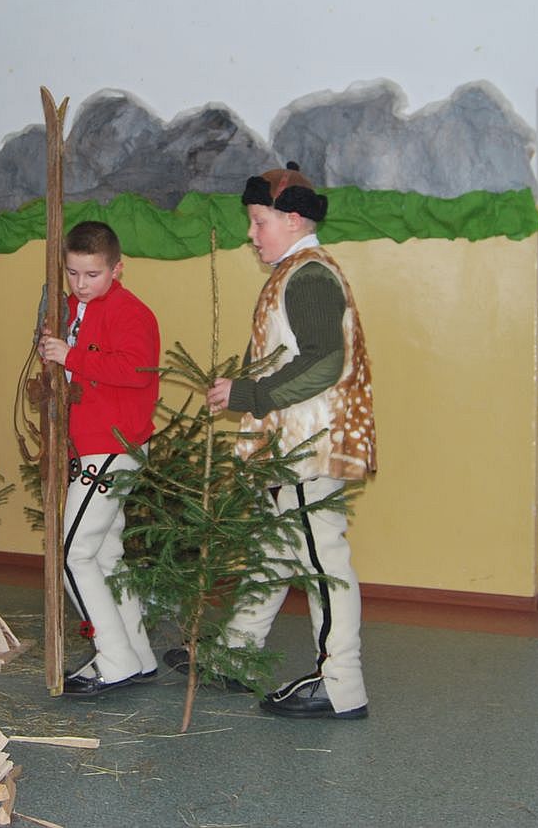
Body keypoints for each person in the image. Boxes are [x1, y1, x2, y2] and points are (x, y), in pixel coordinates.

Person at [180, 163, 378, 720]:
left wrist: (251, 393)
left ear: (293, 220)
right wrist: (247, 387)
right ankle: (236, 653)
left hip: (308, 445)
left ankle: (341, 683)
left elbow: (325, 360)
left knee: (321, 559)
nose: (251, 234)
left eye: (259, 221)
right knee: (275, 547)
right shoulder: (294, 272)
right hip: (291, 445)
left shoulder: (309, 276)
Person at [36, 221, 160, 697]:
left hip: (112, 446)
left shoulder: (132, 312)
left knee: (72, 555)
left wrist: (70, 356)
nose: (81, 283)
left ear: (117, 269)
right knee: (106, 555)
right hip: (91, 444)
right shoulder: (72, 308)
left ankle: (114, 657)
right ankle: (137, 653)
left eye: (92, 274)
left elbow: (135, 370)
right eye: (72, 273)